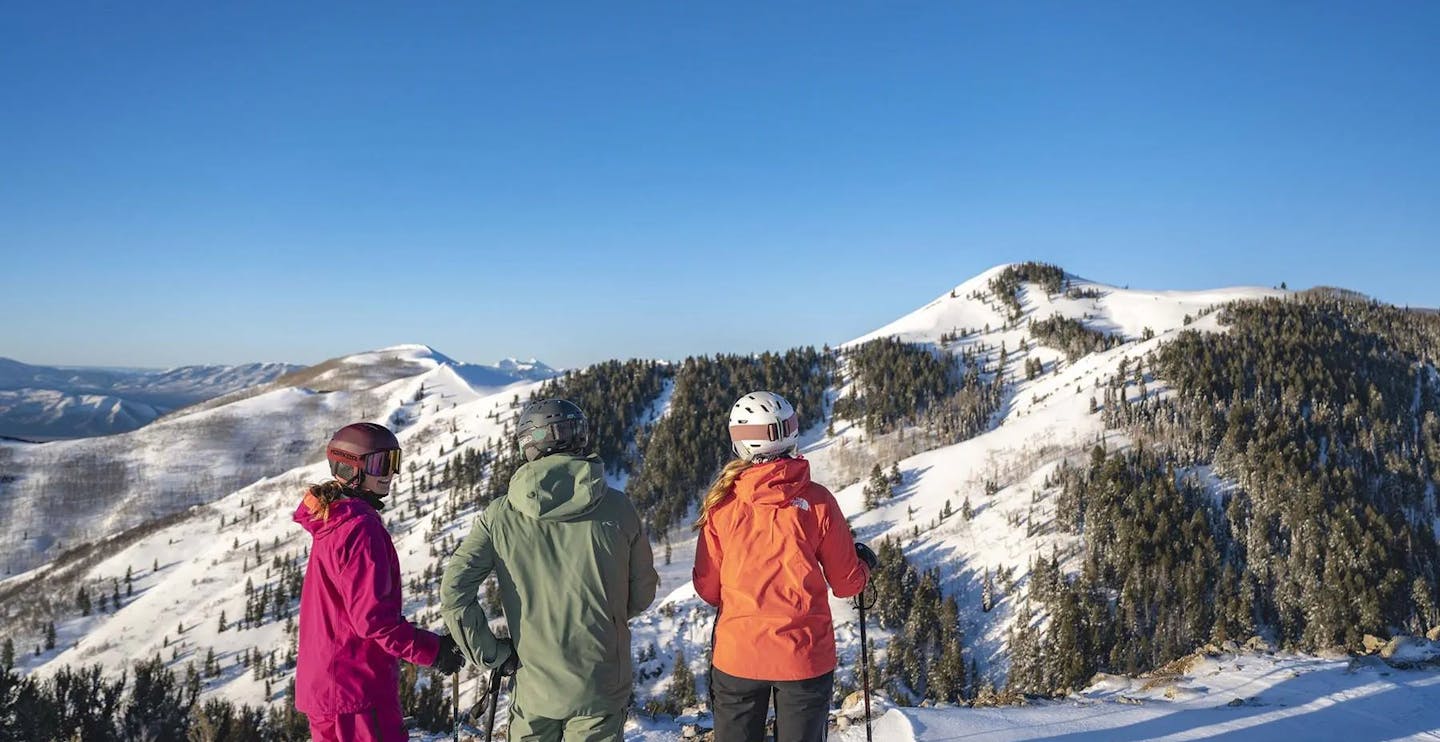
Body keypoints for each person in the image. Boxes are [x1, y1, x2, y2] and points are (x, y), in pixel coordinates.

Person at [441, 399, 659, 742]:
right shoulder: (618, 508)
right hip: (600, 679)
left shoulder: (500, 516)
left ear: (528, 443)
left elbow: (454, 592)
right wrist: (606, 618)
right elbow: (643, 591)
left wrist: (493, 655)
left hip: (533, 684)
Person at [692, 391, 878, 742]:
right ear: (790, 433)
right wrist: (864, 564)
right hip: (804, 655)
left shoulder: (721, 506)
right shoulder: (818, 501)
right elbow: (847, 584)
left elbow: (708, 589)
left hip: (738, 656)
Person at [294, 422, 465, 741]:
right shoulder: (359, 528)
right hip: (356, 691)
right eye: (379, 463)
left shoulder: (333, 520)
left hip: (330, 689)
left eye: (393, 462)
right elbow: (373, 622)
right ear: (350, 467)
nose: (390, 473)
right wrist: (434, 649)